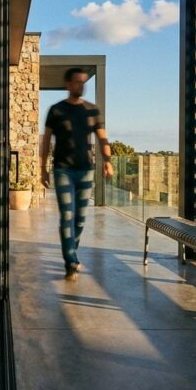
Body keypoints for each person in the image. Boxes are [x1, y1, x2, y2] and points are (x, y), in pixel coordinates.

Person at [40, 67, 113, 280]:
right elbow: (46, 141)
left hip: (85, 170)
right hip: (63, 169)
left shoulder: (92, 110)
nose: (81, 86)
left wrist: (107, 161)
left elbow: (102, 138)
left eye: (83, 82)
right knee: (67, 216)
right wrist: (42, 168)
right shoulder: (56, 110)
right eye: (77, 82)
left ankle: (72, 249)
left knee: (80, 219)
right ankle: (71, 260)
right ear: (68, 84)